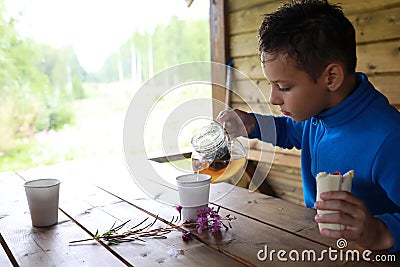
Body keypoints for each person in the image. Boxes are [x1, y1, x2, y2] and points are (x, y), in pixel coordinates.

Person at [217, 0, 399, 252]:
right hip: (320, 243)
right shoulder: (319, 112)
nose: (273, 98)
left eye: (284, 87)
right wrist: (253, 124)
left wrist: (379, 232)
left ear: (331, 77)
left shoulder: (388, 138)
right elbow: (293, 132)